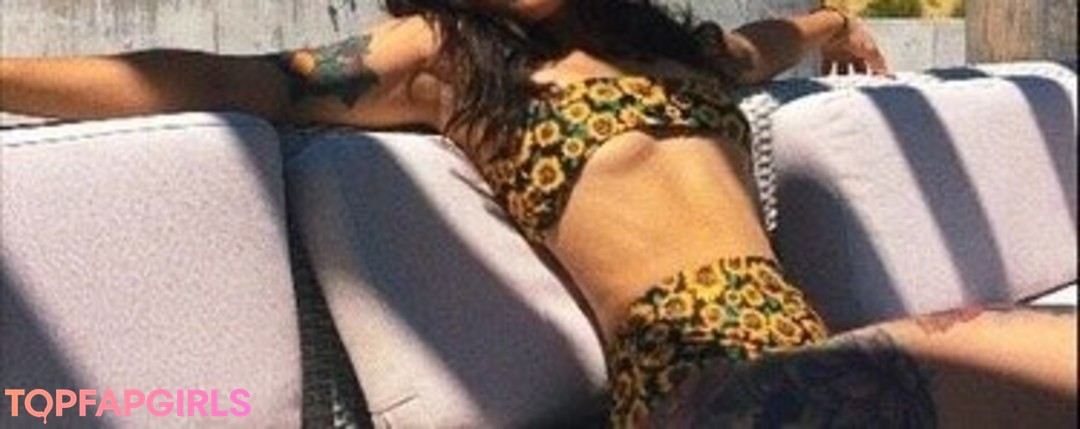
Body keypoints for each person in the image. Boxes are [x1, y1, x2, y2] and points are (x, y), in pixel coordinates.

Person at [1, 1, 1075, 427]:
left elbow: (765, 44)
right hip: (696, 395)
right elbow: (224, 78)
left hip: (815, 360)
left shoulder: (670, 50)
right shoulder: (450, 56)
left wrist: (837, 22)